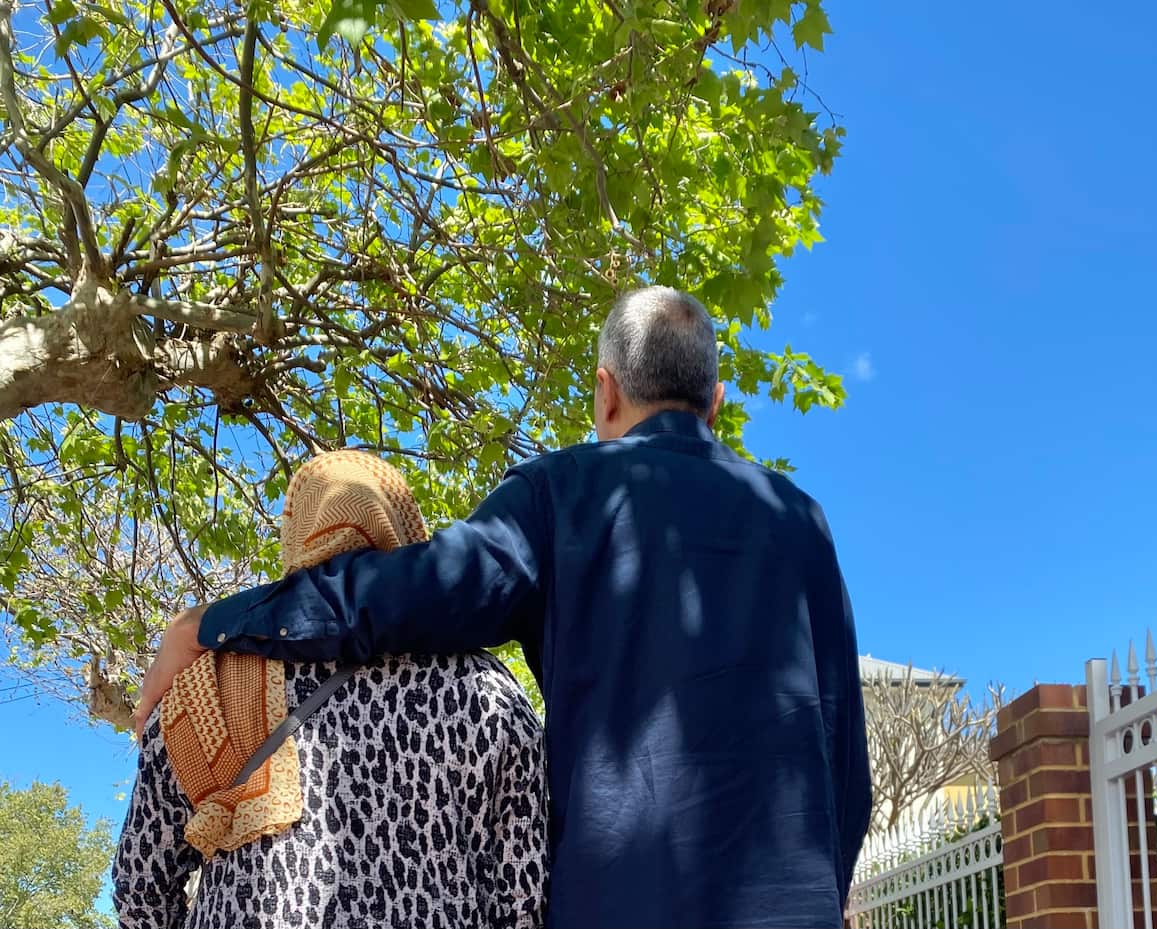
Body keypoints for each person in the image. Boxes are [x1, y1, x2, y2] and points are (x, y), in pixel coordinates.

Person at [137, 286, 872, 929]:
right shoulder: (800, 520)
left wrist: (211, 623)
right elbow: (847, 769)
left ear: (605, 392)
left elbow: (402, 595)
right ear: (716, 403)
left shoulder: (563, 494)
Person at [114, 450, 548, 929]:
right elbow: (522, 895)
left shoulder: (206, 689)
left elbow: (141, 890)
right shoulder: (488, 693)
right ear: (404, 530)